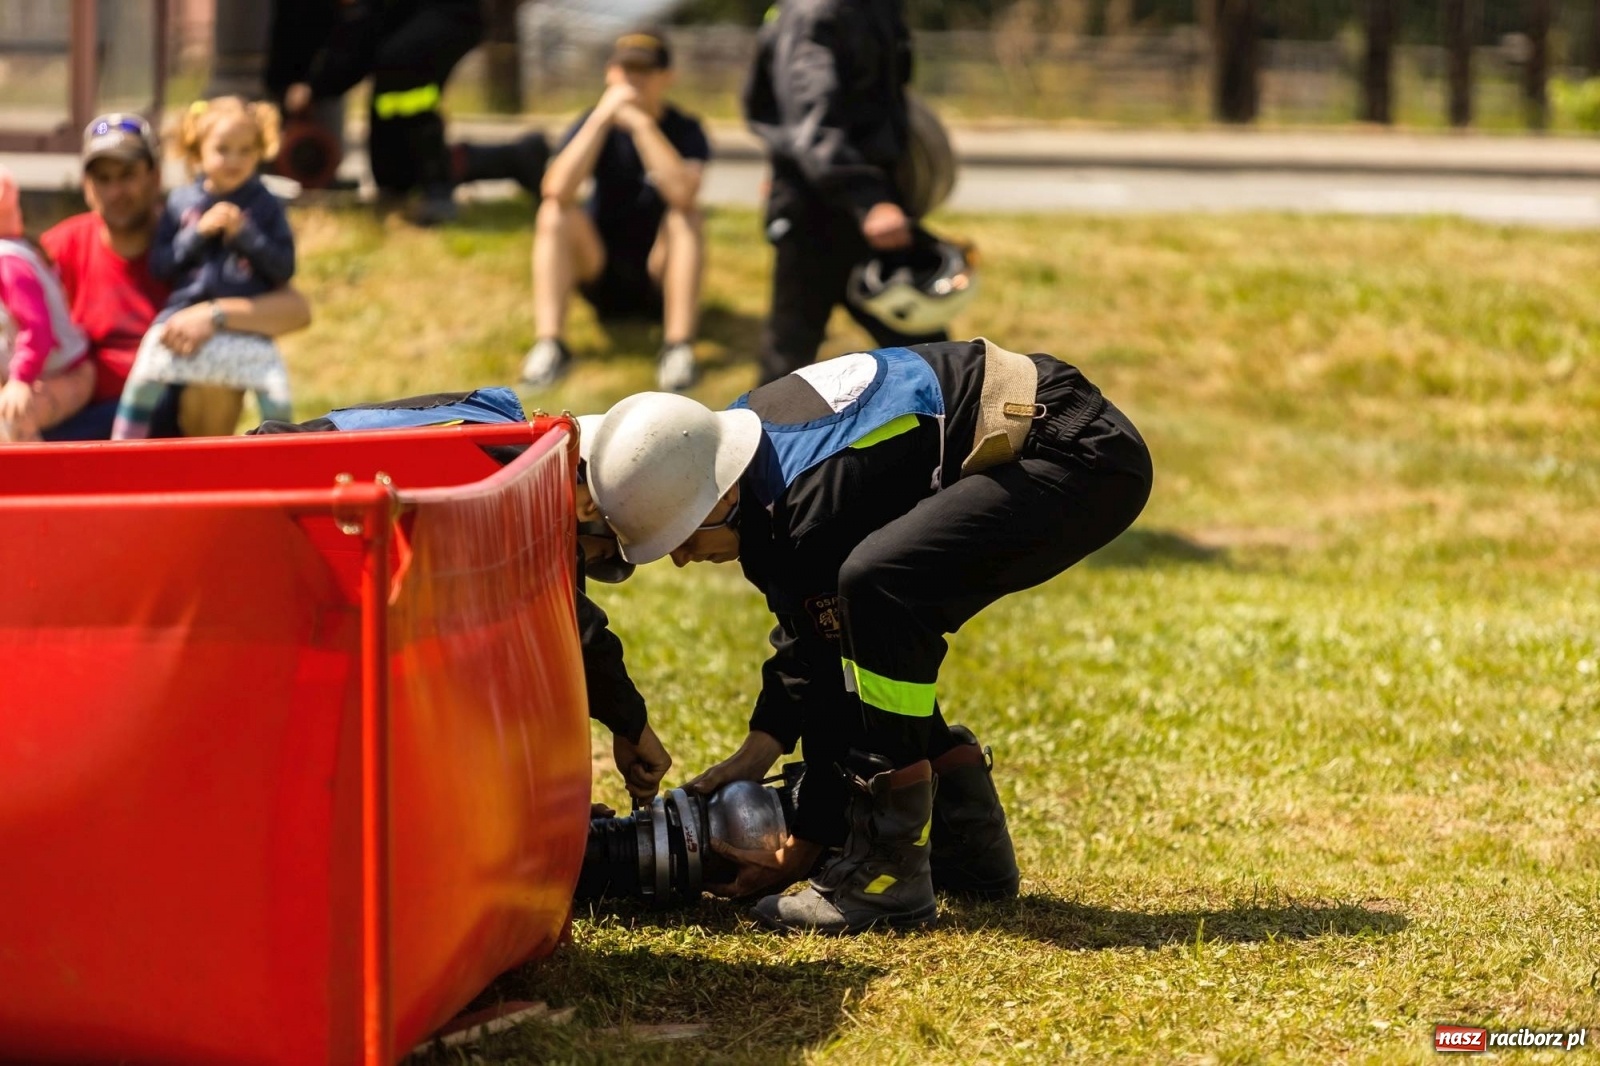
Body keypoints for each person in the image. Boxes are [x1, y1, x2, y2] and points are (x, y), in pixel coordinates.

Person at [585, 339, 1154, 934]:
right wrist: (762, 745)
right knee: (864, 609)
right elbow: (808, 627)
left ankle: (884, 878)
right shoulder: (737, 456)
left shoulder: (810, 500)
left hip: (1078, 457)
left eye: (680, 536)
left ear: (721, 493)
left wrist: (806, 842)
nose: (679, 558)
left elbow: (831, 670)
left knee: (878, 590)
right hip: (1051, 433)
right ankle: (966, 852)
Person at [251, 390, 673, 801]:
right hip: (270, 520)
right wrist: (632, 724)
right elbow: (565, 609)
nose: (574, 562)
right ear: (588, 511)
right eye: (588, 551)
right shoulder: (500, 478)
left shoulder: (494, 431)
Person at [40, 113, 312, 440]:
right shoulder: (60, 247)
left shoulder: (190, 234)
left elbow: (296, 309)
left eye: (128, 175)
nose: (116, 191)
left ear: (155, 178)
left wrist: (212, 315)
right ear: (87, 186)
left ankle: (208, 478)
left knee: (215, 382)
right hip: (76, 409)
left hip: (177, 411)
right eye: (103, 178)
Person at [742, 0, 948, 385]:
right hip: (824, 211)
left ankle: (949, 430)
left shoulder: (873, 9)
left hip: (859, 201)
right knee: (788, 358)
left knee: (929, 349)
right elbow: (812, 121)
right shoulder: (817, 13)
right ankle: (759, 442)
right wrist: (868, 201)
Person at [520, 29, 710, 394]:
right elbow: (555, 188)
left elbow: (683, 194)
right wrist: (600, 120)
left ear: (666, 77)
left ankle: (678, 347)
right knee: (553, 213)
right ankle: (550, 345)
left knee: (686, 216)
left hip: (660, 275)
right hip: (601, 269)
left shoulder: (686, 130)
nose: (634, 79)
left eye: (645, 70)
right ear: (610, 73)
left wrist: (642, 125)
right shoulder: (593, 123)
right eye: (626, 69)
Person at [112, 97, 296, 440]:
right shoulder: (182, 202)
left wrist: (245, 235)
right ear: (197, 153)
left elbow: (284, 268)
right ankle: (119, 457)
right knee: (141, 385)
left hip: (244, 327)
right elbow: (161, 265)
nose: (235, 160)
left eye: (246, 150)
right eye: (223, 149)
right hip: (180, 318)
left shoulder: (266, 204)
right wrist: (198, 232)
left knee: (278, 396)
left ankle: (287, 465)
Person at [282, 0, 548, 225]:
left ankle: (437, 190)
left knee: (402, 67)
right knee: (396, 175)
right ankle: (518, 158)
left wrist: (315, 87)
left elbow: (363, 35)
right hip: (417, 24)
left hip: (447, 14)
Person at [0, 165, 93, 443]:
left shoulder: (10, 262)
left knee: (10, 418)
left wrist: (20, 379)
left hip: (67, 375)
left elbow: (37, 329)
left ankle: (41, 484)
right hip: (34, 374)